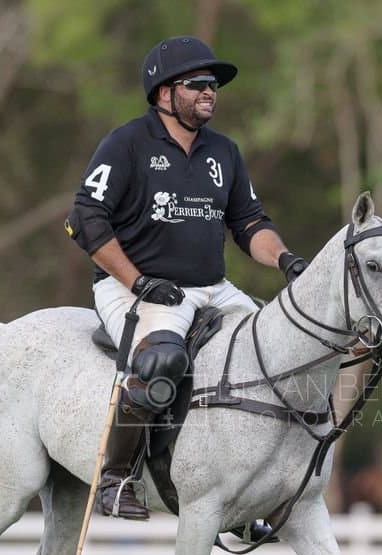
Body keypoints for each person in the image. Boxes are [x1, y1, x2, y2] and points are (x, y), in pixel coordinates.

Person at [64, 35, 308, 521]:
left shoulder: (225, 152)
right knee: (161, 364)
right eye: (197, 83)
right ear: (163, 93)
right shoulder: (127, 143)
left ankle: (257, 485)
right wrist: (137, 282)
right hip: (138, 287)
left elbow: (250, 224)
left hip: (213, 287)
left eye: (213, 85)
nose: (209, 92)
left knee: (279, 351)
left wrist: (286, 261)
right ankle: (115, 478)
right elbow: (84, 219)